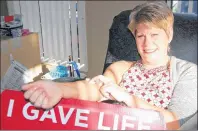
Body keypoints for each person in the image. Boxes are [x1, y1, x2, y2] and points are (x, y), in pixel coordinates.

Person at [22, 1, 197, 130]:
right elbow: (92, 89)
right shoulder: (121, 68)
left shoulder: (188, 72)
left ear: (169, 34)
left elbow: (174, 122)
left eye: (155, 35)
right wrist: (59, 90)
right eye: (140, 36)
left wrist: (127, 97)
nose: (147, 43)